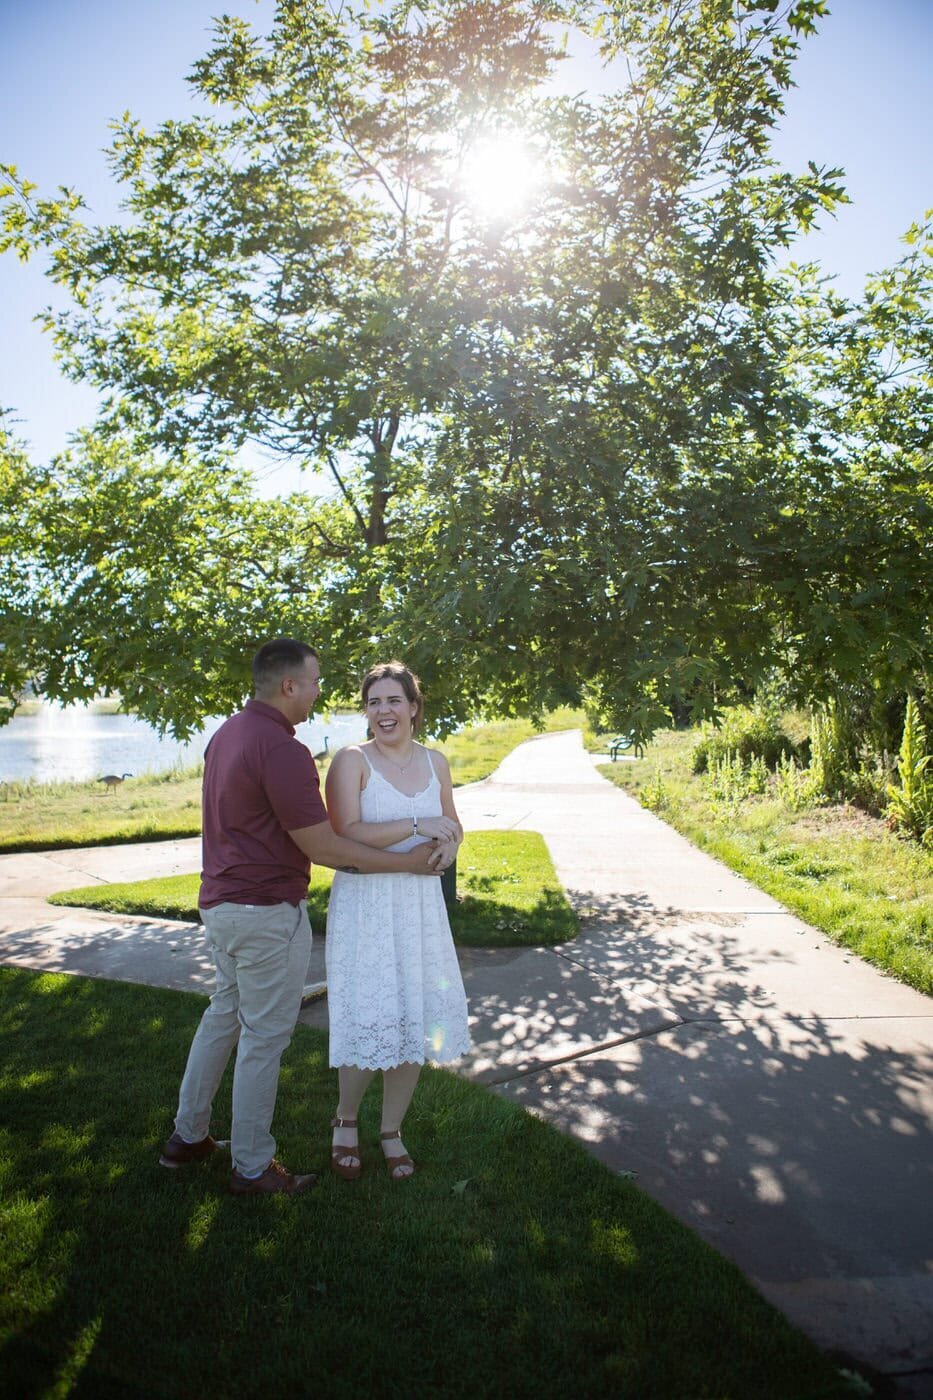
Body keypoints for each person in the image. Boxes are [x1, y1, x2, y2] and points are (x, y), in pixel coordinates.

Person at [159, 639, 444, 1196]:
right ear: (290, 685)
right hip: (265, 910)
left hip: (220, 905)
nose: (319, 692)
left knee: (224, 1015)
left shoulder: (227, 733)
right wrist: (408, 861)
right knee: (264, 1036)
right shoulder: (281, 749)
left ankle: (187, 1137)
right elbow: (326, 847)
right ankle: (252, 1166)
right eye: (314, 682)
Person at [324, 661, 470, 1181]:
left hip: (419, 906)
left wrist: (449, 846)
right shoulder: (351, 761)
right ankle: (344, 1120)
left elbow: (452, 823)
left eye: (392, 701)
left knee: (416, 1016)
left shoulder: (437, 761)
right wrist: (415, 824)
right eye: (373, 703)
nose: (383, 712)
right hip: (367, 906)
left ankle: (391, 1130)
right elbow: (346, 831)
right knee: (371, 1012)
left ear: (414, 707)